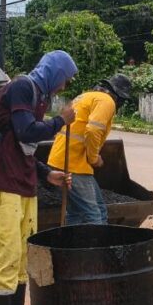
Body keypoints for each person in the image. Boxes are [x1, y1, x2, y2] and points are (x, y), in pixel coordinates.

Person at [0, 51, 76, 305]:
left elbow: (24, 147)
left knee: (24, 258)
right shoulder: (23, 86)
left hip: (25, 184)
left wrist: (47, 174)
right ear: (54, 72)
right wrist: (60, 121)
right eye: (64, 79)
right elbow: (26, 130)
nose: (64, 86)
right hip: (4, 183)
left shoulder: (39, 97)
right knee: (8, 255)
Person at [48, 74, 132, 225]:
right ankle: (98, 246)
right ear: (118, 96)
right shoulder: (107, 101)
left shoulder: (86, 96)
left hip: (61, 159)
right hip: (75, 164)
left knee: (77, 212)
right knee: (94, 214)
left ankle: (72, 246)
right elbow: (93, 130)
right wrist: (93, 158)